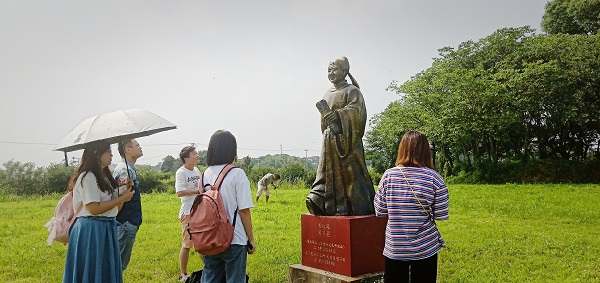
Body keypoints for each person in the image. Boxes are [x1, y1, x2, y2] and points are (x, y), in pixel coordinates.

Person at [374, 131, 449, 283]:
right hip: (426, 247)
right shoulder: (434, 178)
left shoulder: (388, 176)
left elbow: (380, 211)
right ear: (426, 150)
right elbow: (441, 215)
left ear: (402, 149)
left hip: (395, 247)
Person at [305, 56, 375, 216]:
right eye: (328, 70)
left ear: (345, 71)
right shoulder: (327, 93)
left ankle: (354, 207)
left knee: (351, 177)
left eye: (334, 69)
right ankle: (321, 201)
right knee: (326, 173)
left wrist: (338, 116)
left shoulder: (352, 91)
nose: (331, 73)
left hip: (348, 143)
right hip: (330, 143)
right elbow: (323, 123)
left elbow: (357, 113)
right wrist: (328, 121)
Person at [63, 140, 135, 283]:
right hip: (91, 229)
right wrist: (120, 199)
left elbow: (115, 210)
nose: (112, 154)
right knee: (92, 271)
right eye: (108, 151)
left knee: (104, 270)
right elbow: (93, 208)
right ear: (96, 153)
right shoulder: (88, 177)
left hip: (106, 227)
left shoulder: (104, 177)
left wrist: (123, 194)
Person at [201, 130, 255, 283]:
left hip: (209, 238)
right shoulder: (237, 174)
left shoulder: (205, 174)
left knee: (210, 278)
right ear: (232, 150)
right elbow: (244, 211)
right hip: (234, 239)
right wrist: (250, 239)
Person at [113, 139, 143, 271]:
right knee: (118, 266)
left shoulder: (128, 168)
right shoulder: (125, 169)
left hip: (126, 222)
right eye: (137, 145)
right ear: (128, 150)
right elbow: (121, 197)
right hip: (125, 222)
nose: (140, 147)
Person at [175, 146, 202, 282]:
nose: (197, 155)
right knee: (187, 243)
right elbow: (179, 192)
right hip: (188, 212)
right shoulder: (181, 172)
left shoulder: (197, 170)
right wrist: (196, 191)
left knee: (202, 241)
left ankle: (210, 268)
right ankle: (183, 274)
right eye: (194, 154)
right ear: (186, 158)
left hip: (199, 210)